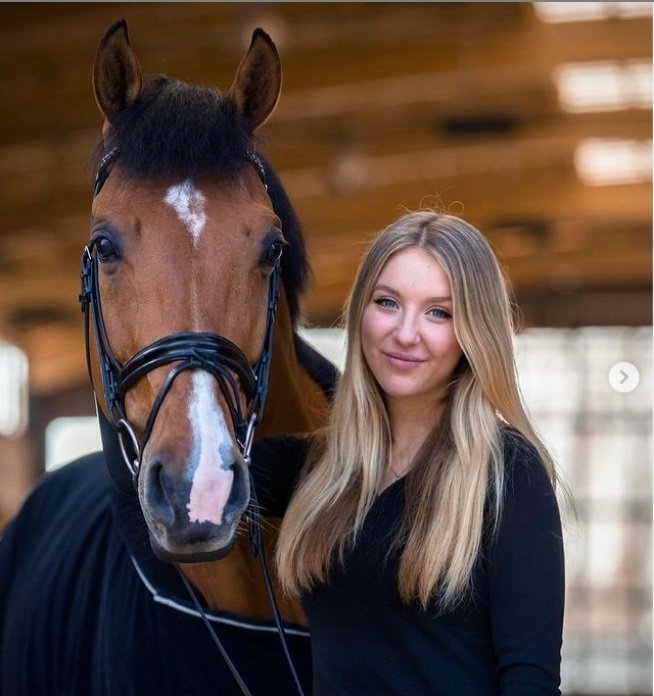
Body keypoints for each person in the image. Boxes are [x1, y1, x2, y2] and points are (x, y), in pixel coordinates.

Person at [252, 209, 565, 695]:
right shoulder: (316, 468)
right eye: (387, 302)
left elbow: (530, 679)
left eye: (438, 312)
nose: (405, 333)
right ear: (360, 313)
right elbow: (158, 473)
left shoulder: (507, 473)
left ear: (472, 333)